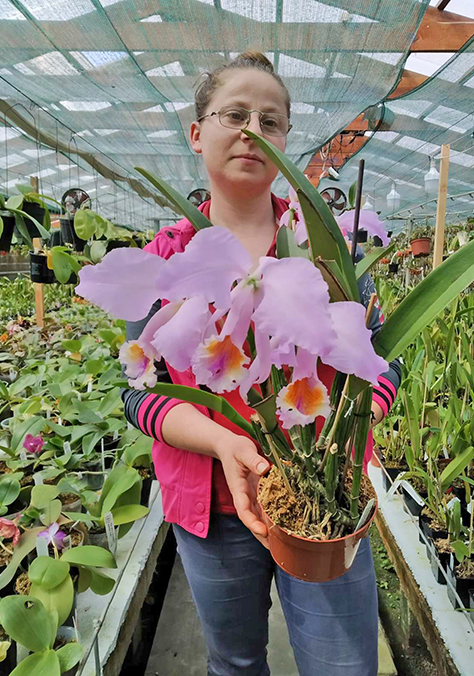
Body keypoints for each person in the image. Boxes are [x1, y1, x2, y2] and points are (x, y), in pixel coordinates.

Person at [122, 52, 401, 676]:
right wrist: (224, 441)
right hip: (211, 507)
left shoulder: (332, 256)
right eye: (234, 114)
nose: (252, 132)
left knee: (344, 666)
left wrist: (344, 428)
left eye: (270, 122)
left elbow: (380, 366)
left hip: (324, 500)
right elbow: (139, 395)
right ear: (197, 133)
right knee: (236, 663)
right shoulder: (169, 259)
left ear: (285, 143)